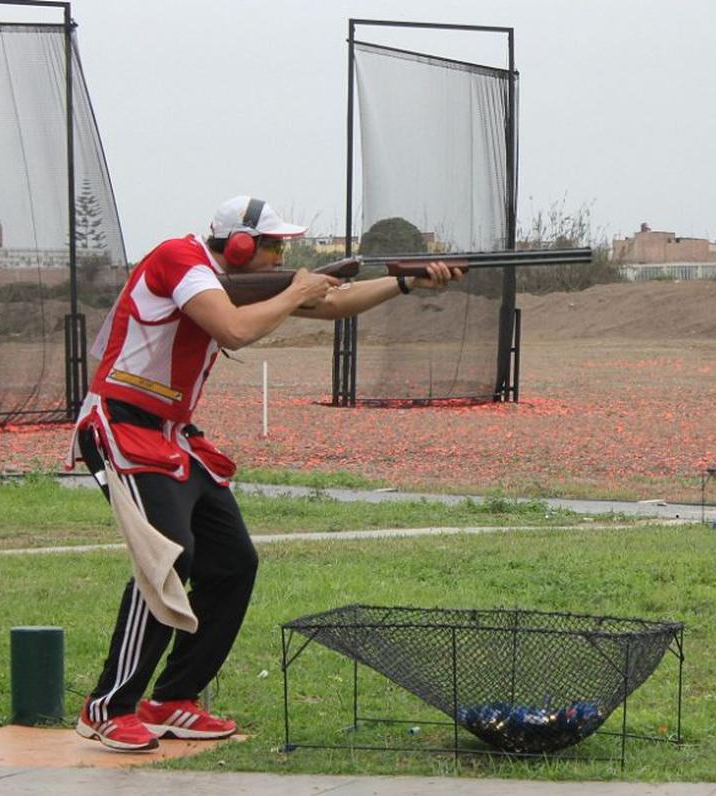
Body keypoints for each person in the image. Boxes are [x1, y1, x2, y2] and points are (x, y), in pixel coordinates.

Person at [68, 195, 461, 751]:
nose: (282, 256)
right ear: (241, 245)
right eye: (273, 246)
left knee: (232, 562)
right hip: (121, 424)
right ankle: (108, 706)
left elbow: (331, 305)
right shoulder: (178, 260)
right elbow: (232, 329)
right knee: (167, 557)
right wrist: (298, 290)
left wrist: (403, 284)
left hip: (171, 433)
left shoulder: (224, 277)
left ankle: (173, 699)